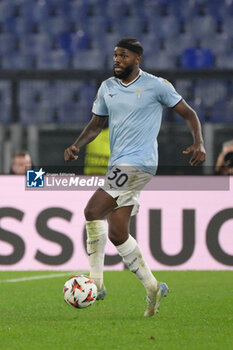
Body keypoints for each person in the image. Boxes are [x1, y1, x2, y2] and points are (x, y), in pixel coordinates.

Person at [64, 38, 206, 317]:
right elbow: (96, 124)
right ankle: (154, 287)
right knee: (118, 232)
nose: (117, 60)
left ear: (137, 59)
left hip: (139, 163)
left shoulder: (157, 85)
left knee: (92, 210)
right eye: (115, 55)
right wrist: (77, 145)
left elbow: (189, 114)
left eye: (123, 56)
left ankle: (96, 284)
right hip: (119, 165)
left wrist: (199, 141)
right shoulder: (107, 87)